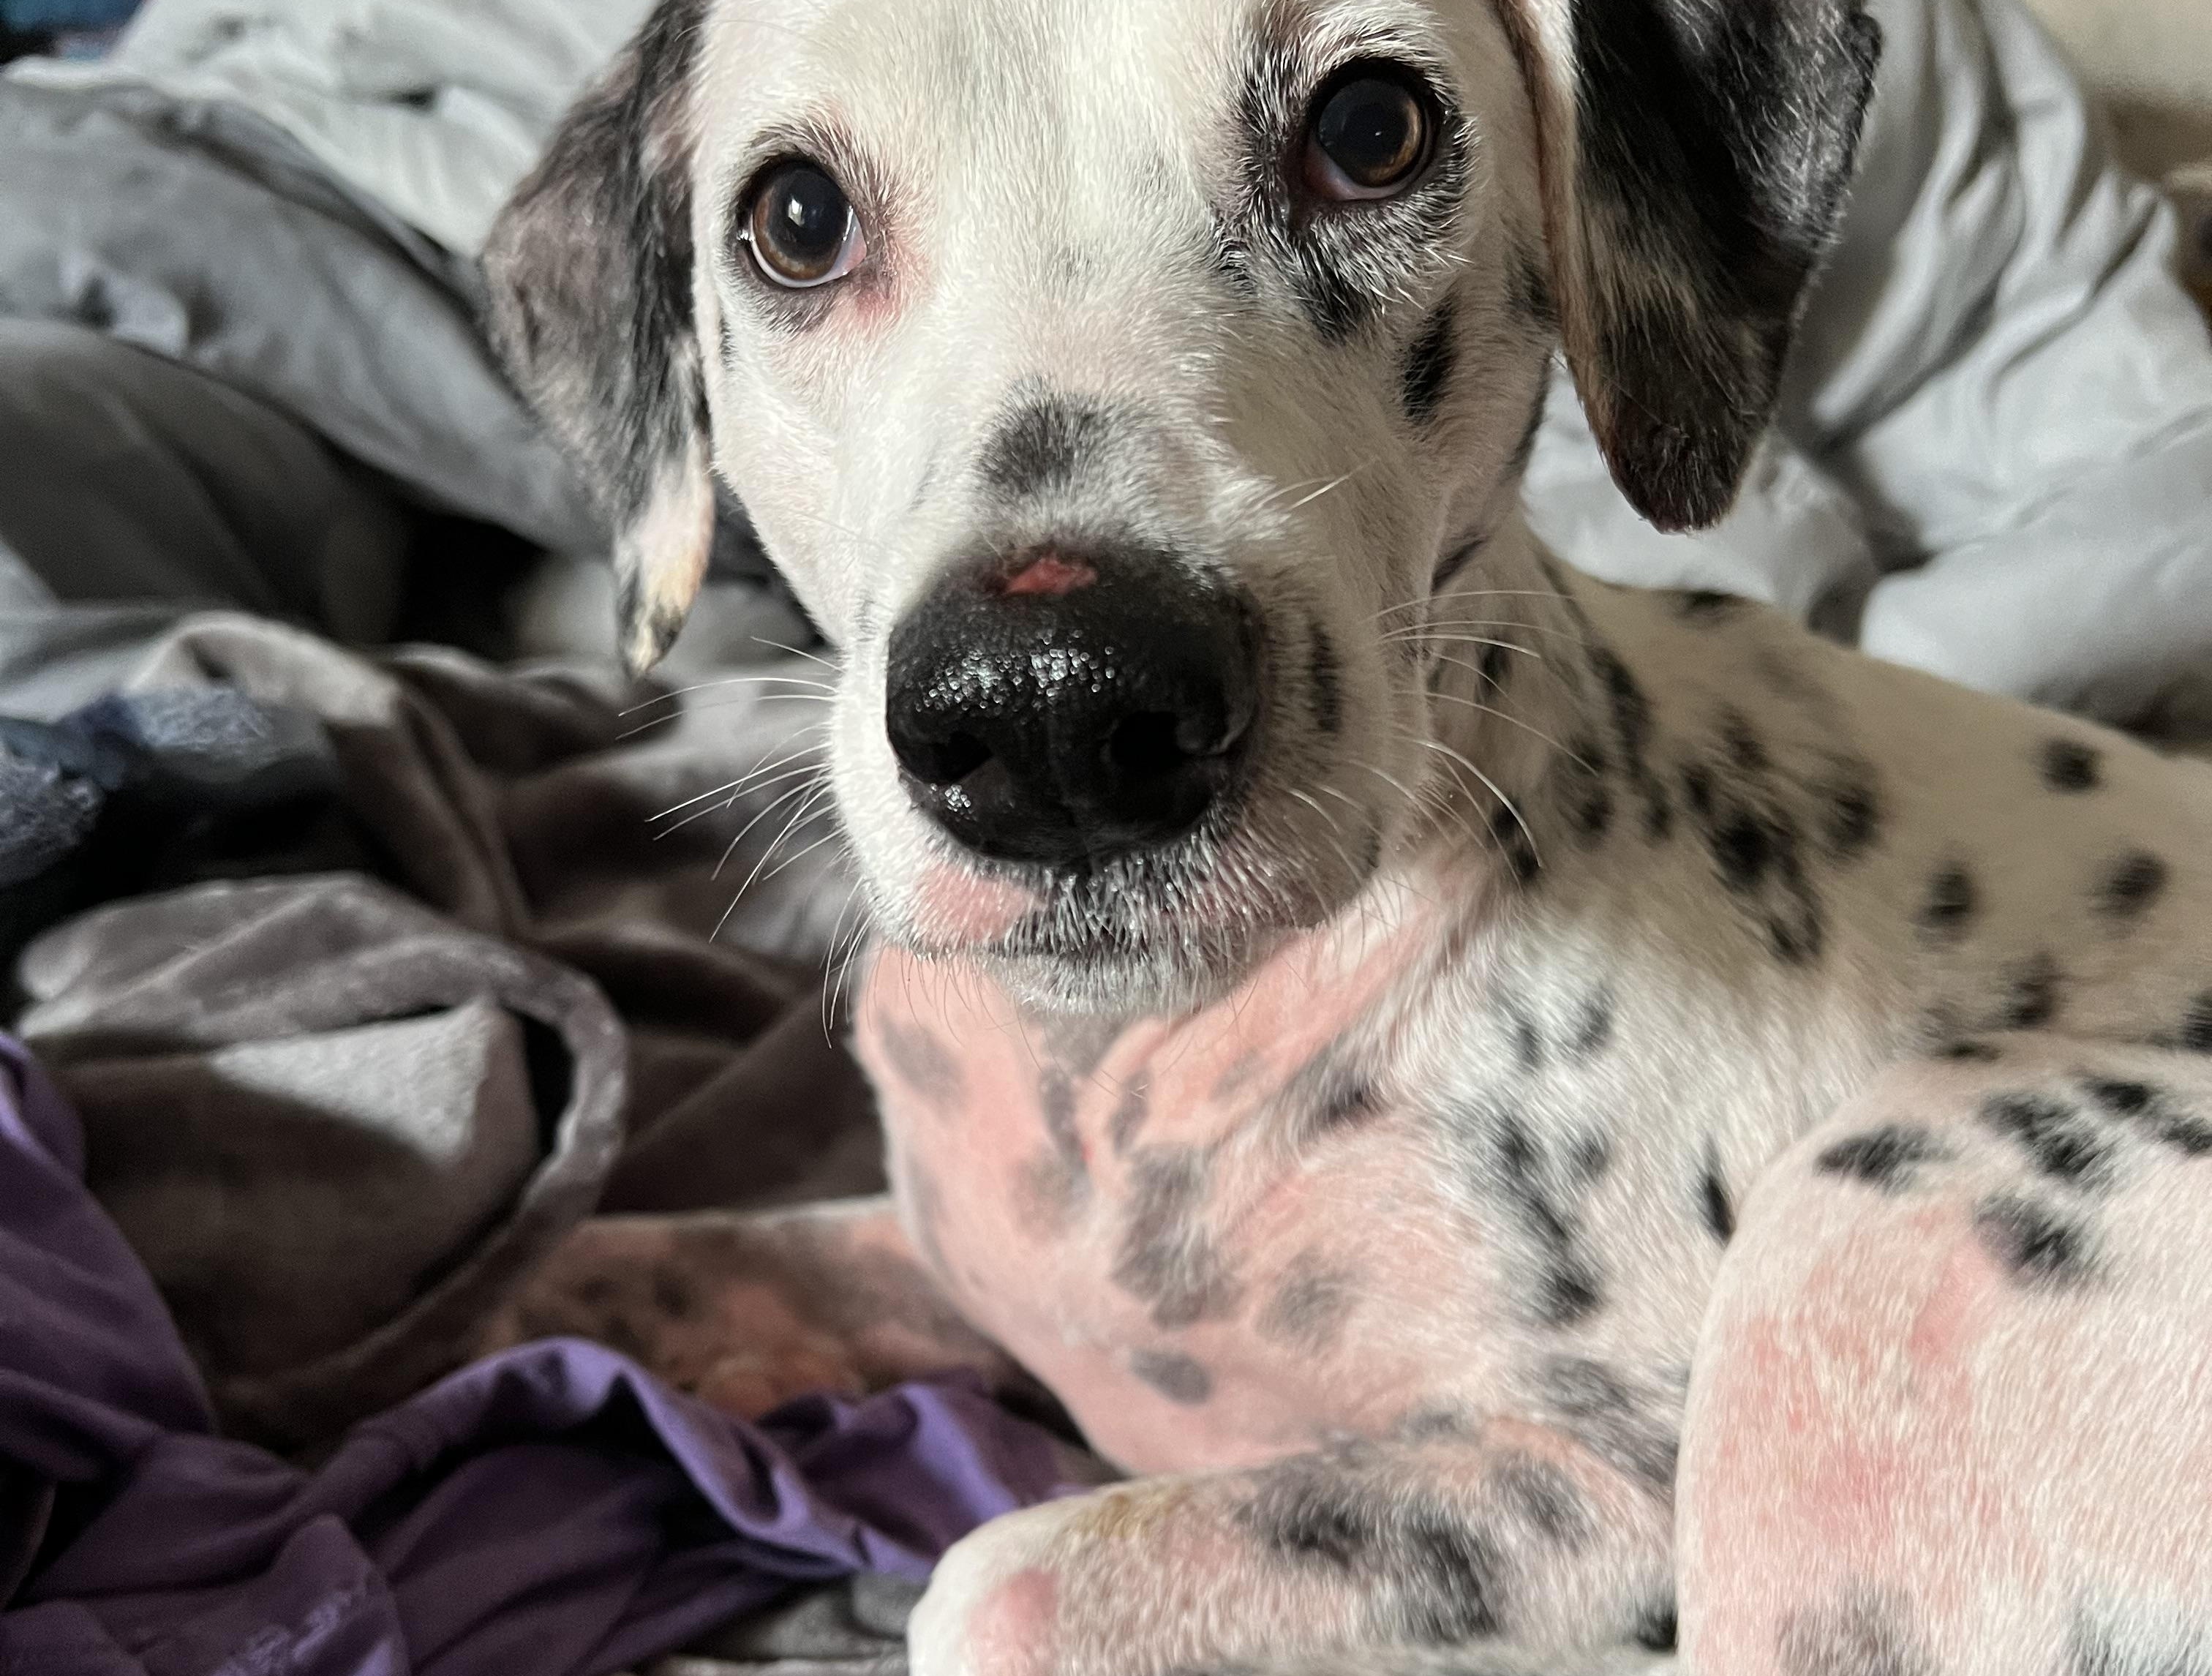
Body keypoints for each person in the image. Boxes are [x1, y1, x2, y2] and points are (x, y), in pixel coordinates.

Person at [0, 0, 2208, 743]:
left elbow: (2171, 471)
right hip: (347, 236)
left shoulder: (1730, 58)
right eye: (804, 215)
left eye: (1358, 133)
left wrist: (1736, 654)